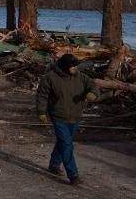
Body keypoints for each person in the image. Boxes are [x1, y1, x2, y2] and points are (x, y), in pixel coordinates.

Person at [36, 53, 99, 185]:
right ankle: (73, 175)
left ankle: (54, 165)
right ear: (65, 67)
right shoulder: (50, 78)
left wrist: (93, 94)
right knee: (67, 145)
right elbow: (42, 95)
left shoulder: (81, 77)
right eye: (72, 66)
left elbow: (93, 86)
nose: (75, 68)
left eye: (76, 66)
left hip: (75, 116)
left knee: (63, 142)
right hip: (58, 116)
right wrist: (41, 111)